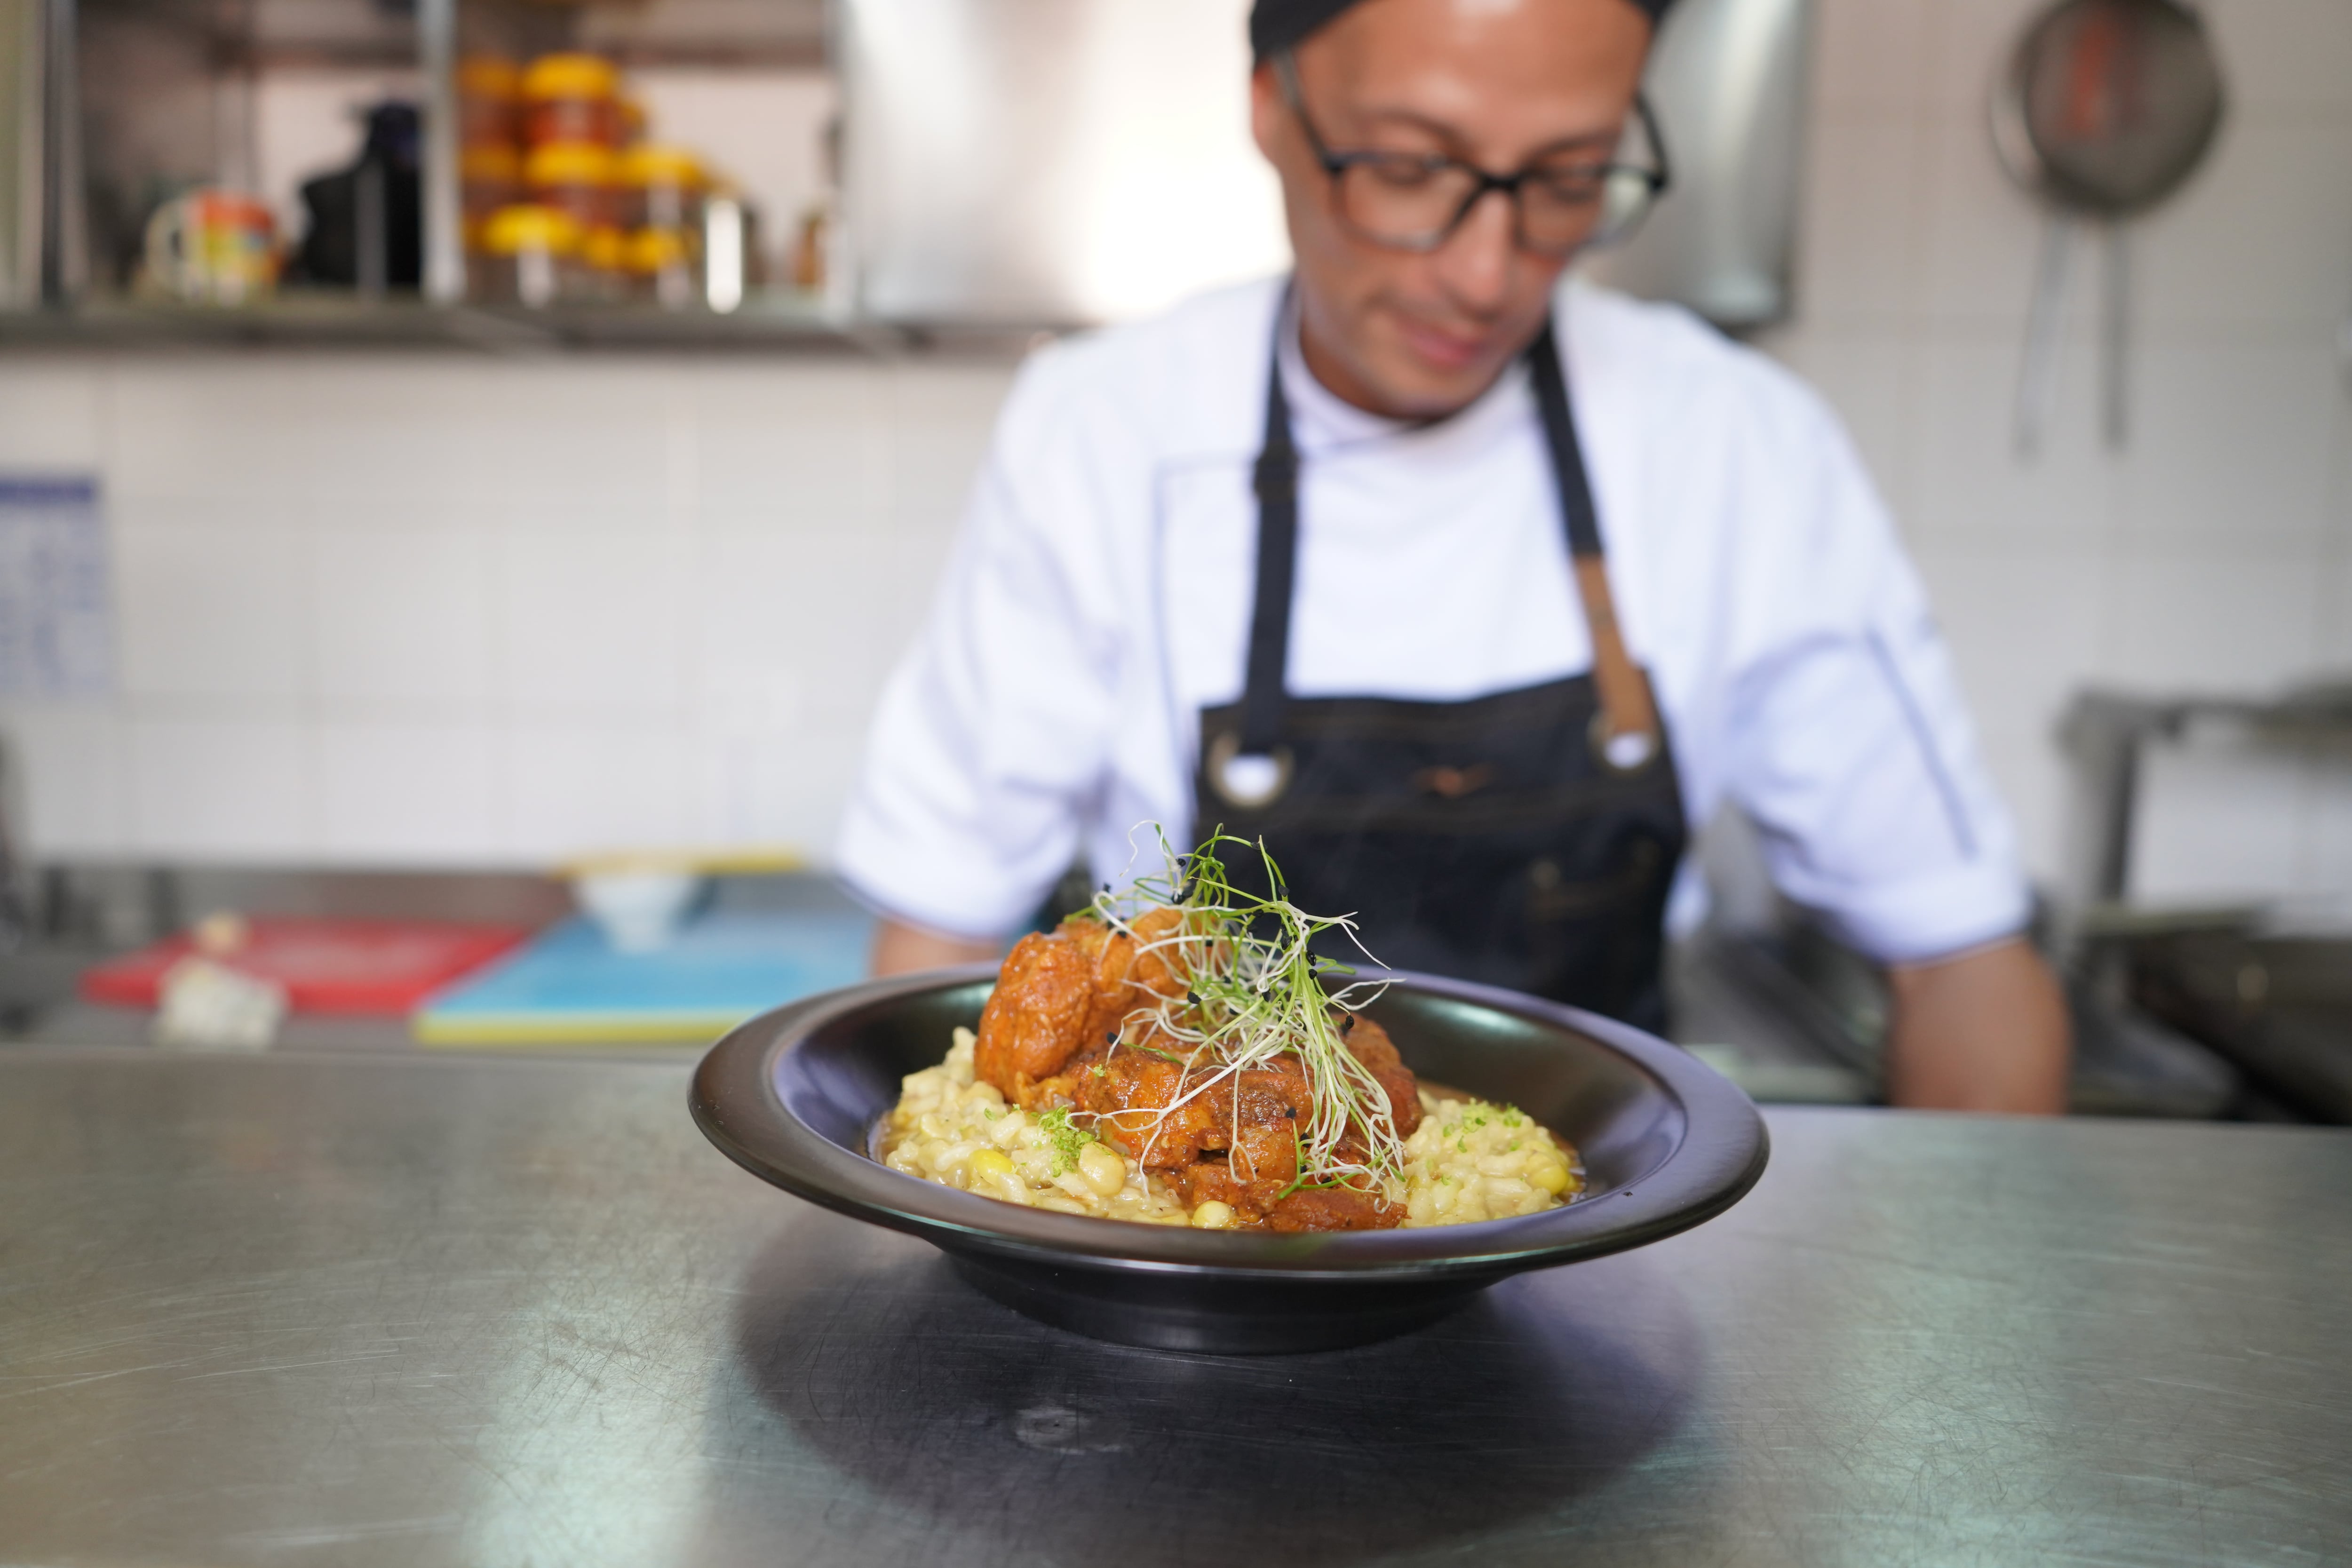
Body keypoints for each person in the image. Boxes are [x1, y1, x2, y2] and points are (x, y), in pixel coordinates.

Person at [838, 0, 2072, 1112]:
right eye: (1410, 167)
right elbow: (934, 945)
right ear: (1272, 108)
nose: (1486, 274)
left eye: (1568, 179)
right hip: (1186, 1267)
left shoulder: (1737, 444)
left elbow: (1961, 961)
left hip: (1612, 1274)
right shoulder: (1101, 432)